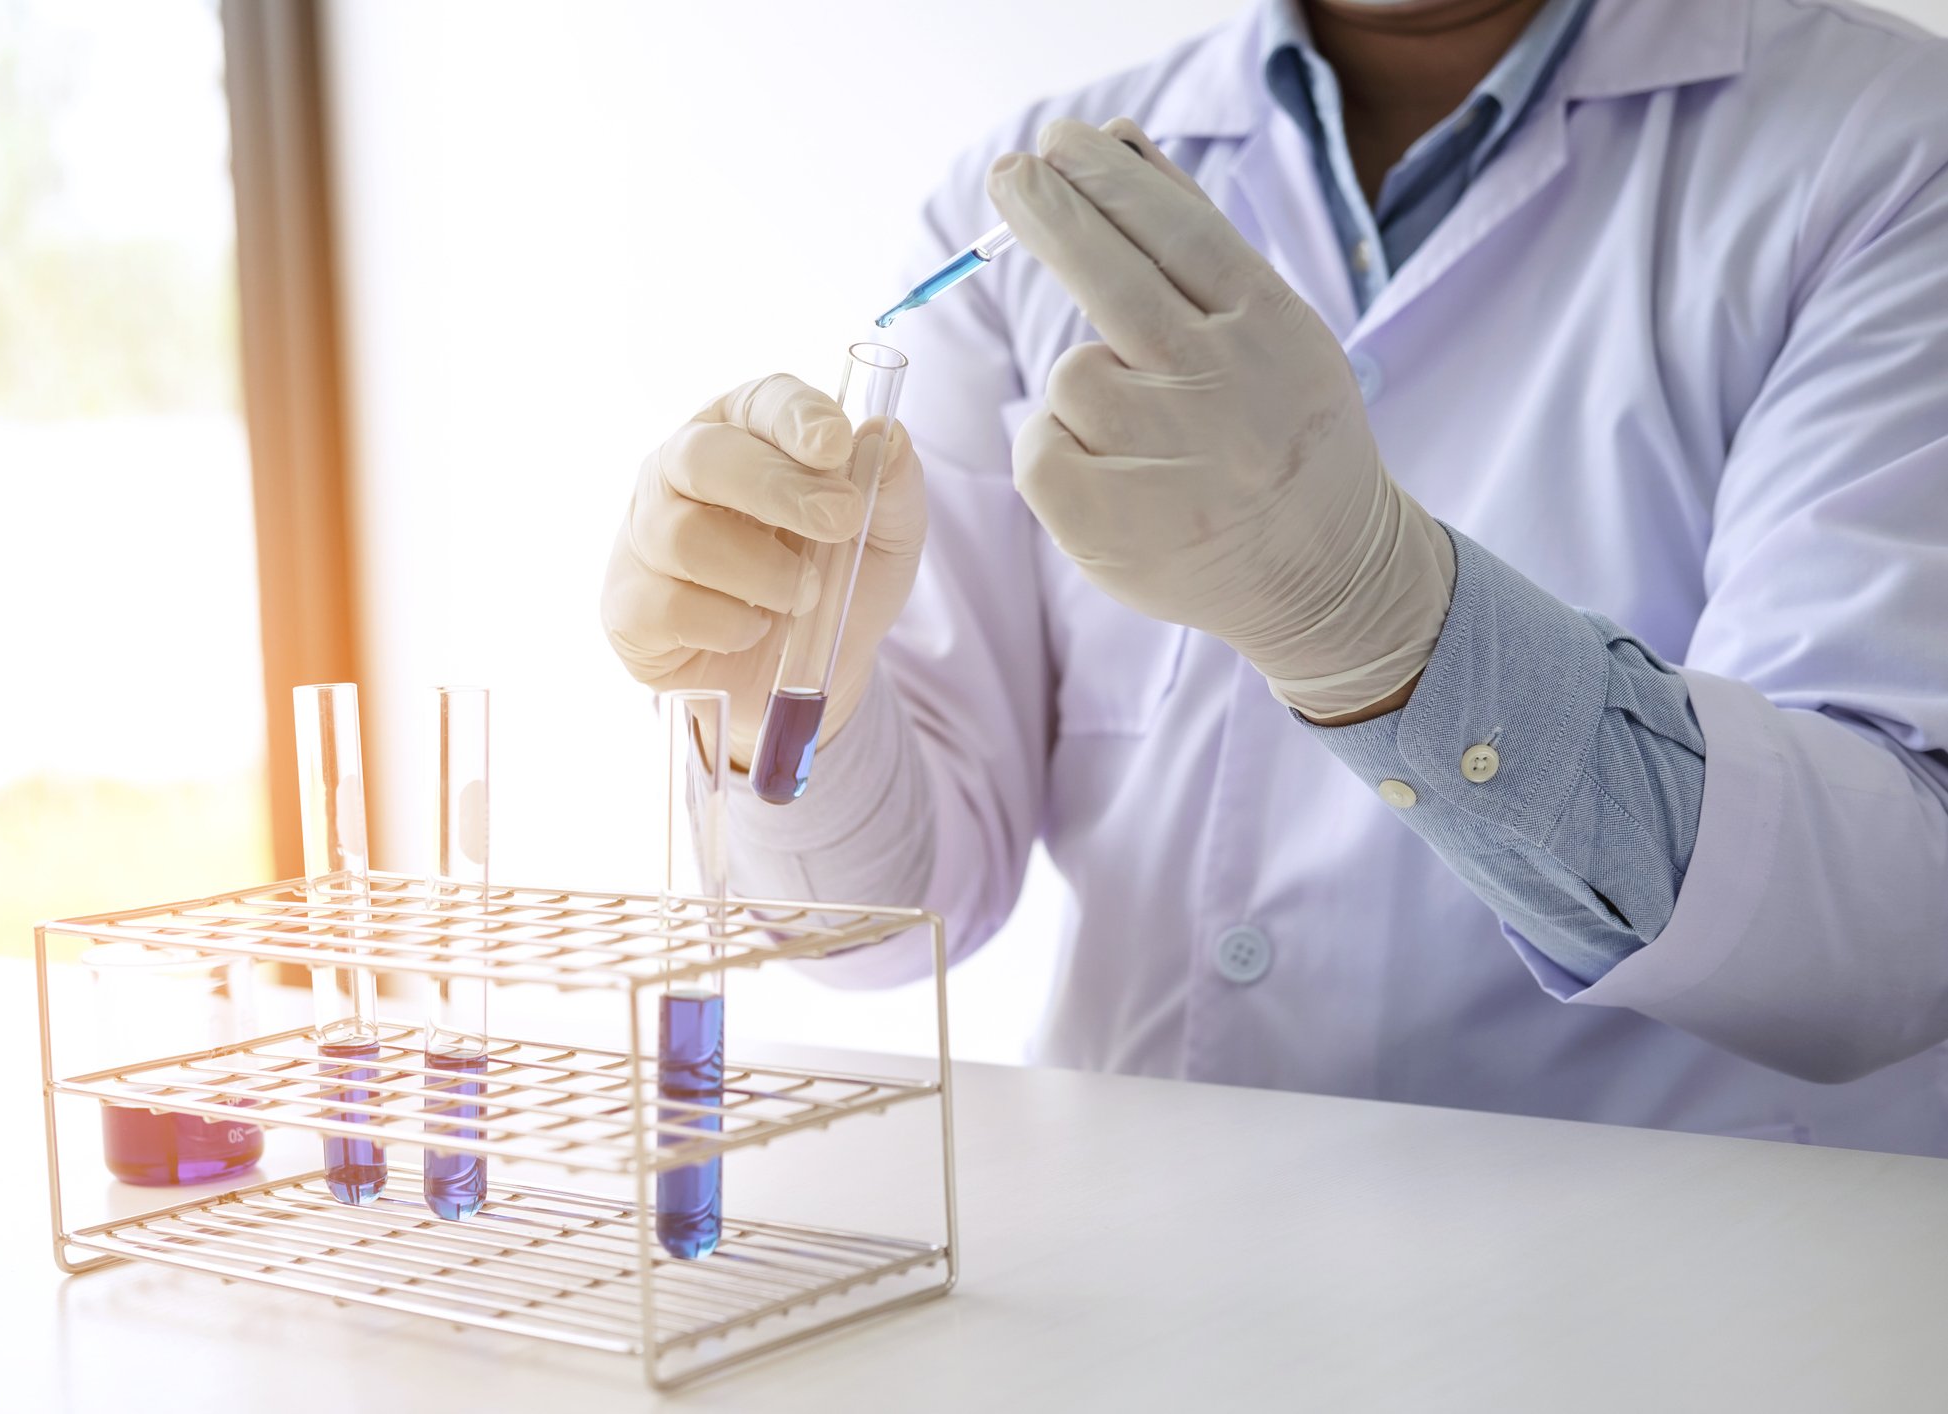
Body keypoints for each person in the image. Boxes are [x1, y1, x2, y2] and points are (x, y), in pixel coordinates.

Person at [601, 0, 1948, 1156]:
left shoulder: (1889, 150)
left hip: (1665, 1297)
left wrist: (1377, 620)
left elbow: (1882, 927)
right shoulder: (1023, 198)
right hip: (1139, 1279)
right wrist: (786, 700)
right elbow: (888, 921)